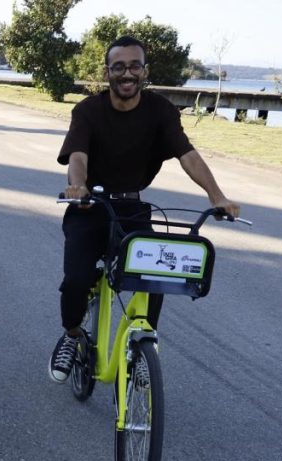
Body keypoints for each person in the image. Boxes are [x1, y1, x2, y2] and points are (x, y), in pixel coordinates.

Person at [49, 35, 241, 383]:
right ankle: (73, 336)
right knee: (76, 280)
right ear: (108, 72)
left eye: (134, 66)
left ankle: (141, 346)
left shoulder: (160, 111)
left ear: (144, 71)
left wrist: (216, 196)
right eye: (119, 67)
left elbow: (188, 155)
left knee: (155, 275)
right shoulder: (88, 111)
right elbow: (77, 155)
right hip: (89, 206)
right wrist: (78, 186)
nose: (127, 73)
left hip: (132, 207)